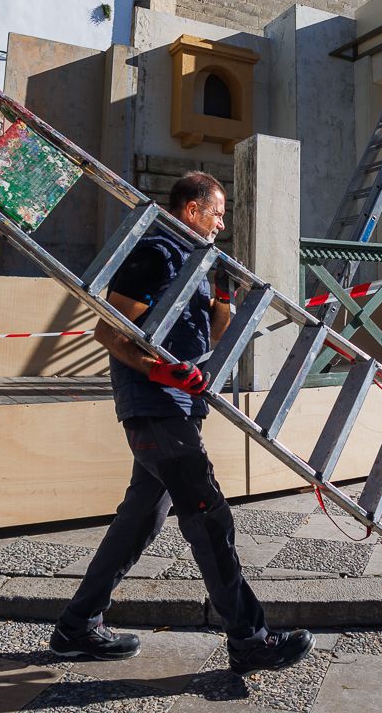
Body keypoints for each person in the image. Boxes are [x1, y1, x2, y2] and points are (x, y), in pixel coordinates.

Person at [50, 171, 313, 675]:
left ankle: (76, 626)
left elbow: (214, 335)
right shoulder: (156, 253)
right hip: (153, 406)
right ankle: (249, 637)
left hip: (180, 409)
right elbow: (109, 328)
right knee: (207, 513)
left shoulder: (199, 263)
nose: (221, 224)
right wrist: (156, 369)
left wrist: (221, 293)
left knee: (139, 522)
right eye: (216, 213)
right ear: (191, 210)